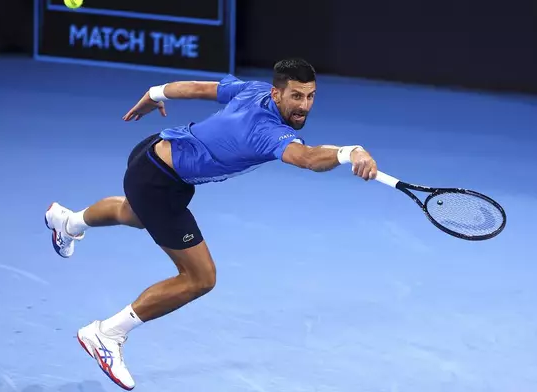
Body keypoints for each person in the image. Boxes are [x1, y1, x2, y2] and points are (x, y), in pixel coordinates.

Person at [44, 58, 378, 390]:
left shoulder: (254, 90)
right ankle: (107, 333)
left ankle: (68, 221)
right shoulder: (266, 131)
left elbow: (199, 89)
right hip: (160, 182)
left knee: (132, 213)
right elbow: (305, 159)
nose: (304, 106)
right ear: (277, 94)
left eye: (310, 96)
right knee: (200, 278)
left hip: (152, 153)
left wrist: (155, 93)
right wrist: (351, 152)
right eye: (296, 96)